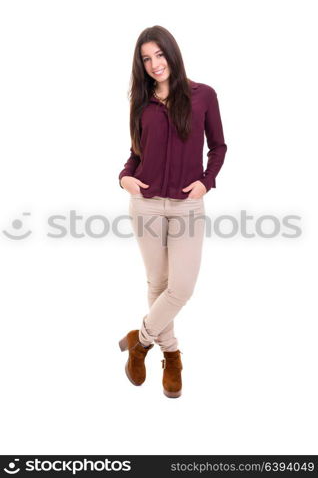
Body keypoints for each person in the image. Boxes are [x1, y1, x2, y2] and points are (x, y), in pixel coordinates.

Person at [118, 25, 227, 398]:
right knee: (158, 284)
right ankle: (173, 354)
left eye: (159, 55)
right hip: (145, 202)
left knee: (181, 287)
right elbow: (137, 153)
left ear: (172, 53)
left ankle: (140, 341)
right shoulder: (142, 102)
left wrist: (206, 181)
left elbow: (219, 147)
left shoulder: (203, 96)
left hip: (187, 205)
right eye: (146, 59)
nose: (154, 64)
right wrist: (123, 177)